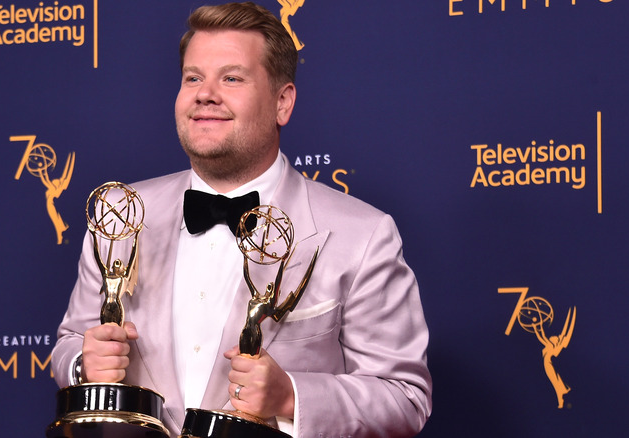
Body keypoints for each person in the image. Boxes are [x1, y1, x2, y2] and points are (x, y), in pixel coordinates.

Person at [51, 2, 432, 436]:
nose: (204, 93)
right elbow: (69, 343)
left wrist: (289, 395)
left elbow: (404, 396)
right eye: (193, 77)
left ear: (282, 103)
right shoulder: (118, 214)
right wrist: (84, 362)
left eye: (231, 78)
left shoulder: (361, 235)